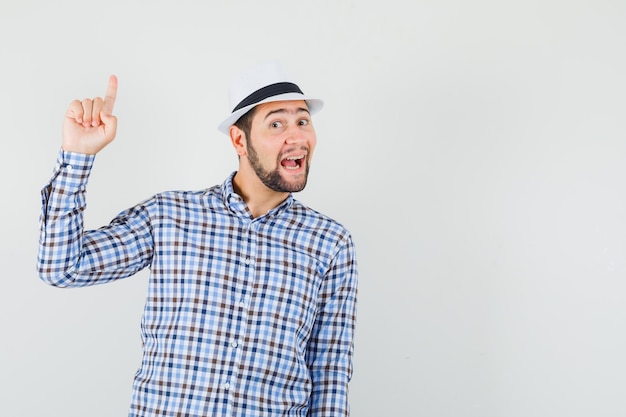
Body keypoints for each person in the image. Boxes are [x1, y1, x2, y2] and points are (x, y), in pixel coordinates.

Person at [37, 61, 358, 417]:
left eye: (302, 121)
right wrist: (78, 157)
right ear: (239, 139)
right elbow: (62, 267)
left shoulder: (330, 242)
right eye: (277, 123)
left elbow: (329, 373)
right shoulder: (169, 217)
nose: (296, 137)